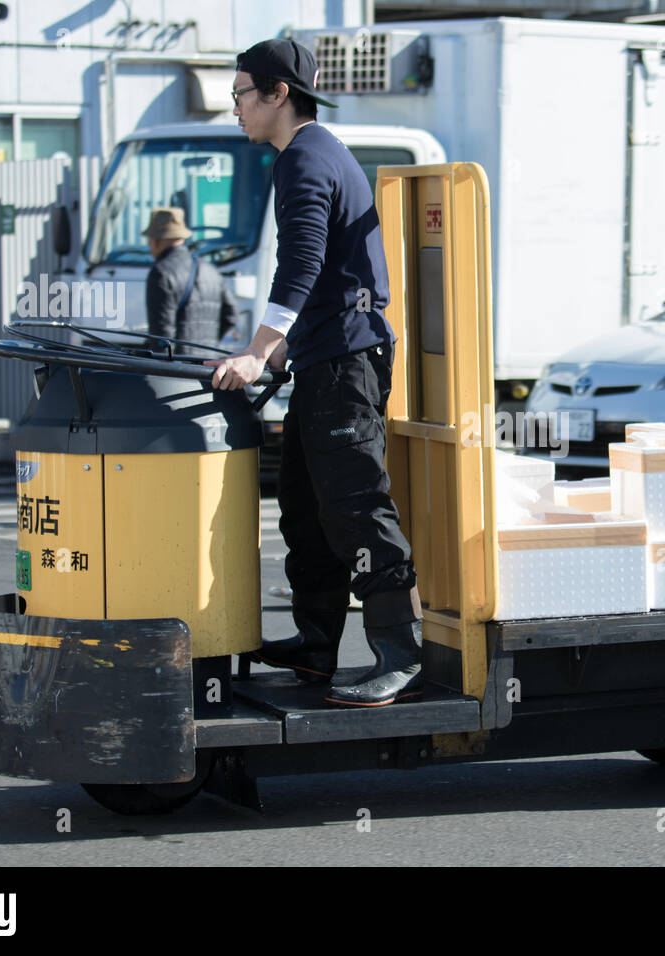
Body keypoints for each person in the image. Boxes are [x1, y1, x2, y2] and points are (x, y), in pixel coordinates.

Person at [205, 37, 422, 708]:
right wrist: (277, 347)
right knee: (304, 505)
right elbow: (317, 267)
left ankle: (399, 650)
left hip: (345, 362)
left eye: (241, 93)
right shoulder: (312, 153)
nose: (235, 107)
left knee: (354, 502)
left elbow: (301, 263)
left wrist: (257, 348)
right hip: (326, 355)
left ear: (277, 94)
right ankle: (316, 648)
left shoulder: (304, 159)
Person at [143, 207, 238, 352]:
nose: (149, 246)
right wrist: (207, 343)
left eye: (149, 240)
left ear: (156, 240)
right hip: (208, 364)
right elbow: (231, 316)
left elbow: (162, 335)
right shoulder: (211, 270)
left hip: (179, 367)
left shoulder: (161, 273)